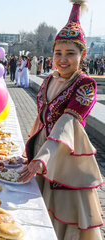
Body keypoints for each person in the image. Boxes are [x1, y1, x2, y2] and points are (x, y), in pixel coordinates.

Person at [18, 1, 103, 239]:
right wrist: (31, 151)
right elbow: (41, 119)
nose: (62, 59)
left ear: (83, 55)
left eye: (70, 54)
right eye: (58, 53)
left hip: (66, 159)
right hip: (43, 153)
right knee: (40, 212)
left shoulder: (86, 84)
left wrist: (42, 158)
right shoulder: (48, 80)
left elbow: (68, 121)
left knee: (64, 220)